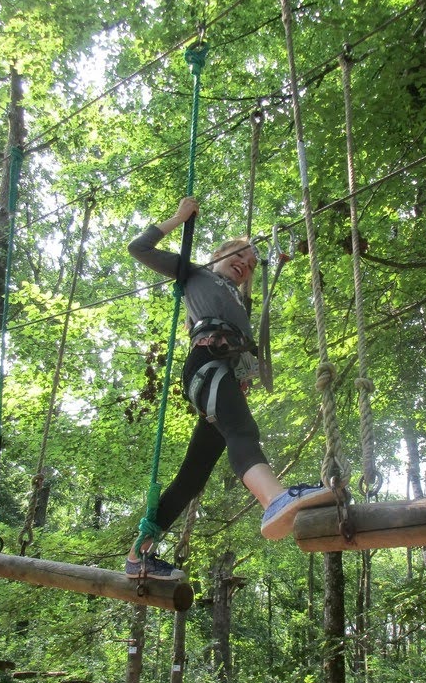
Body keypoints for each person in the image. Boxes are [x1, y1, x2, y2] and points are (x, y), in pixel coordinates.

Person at [124, 197, 335, 581]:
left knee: (193, 475)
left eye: (251, 265)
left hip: (222, 374)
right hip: (206, 367)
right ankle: (273, 500)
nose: (245, 265)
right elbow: (138, 249)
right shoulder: (195, 273)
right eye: (240, 256)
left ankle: (139, 555)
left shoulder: (237, 299)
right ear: (219, 253)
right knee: (242, 431)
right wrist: (178, 219)